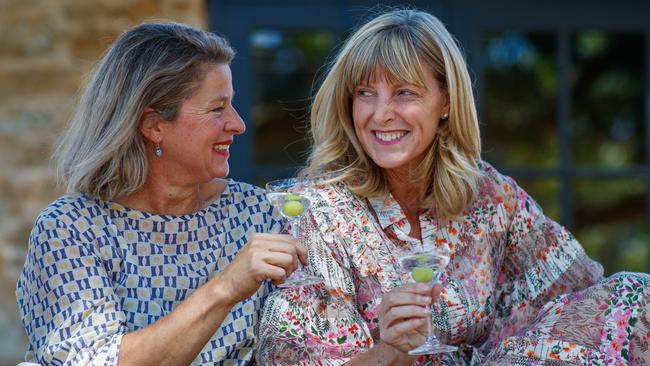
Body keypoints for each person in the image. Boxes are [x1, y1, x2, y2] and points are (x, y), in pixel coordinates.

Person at [256, 8, 650, 365]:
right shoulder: (315, 213)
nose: (381, 114)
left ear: (445, 101)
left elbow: (581, 292)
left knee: (636, 293)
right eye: (365, 93)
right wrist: (391, 349)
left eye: (405, 92)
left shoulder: (489, 196)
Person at [15, 22, 306, 365]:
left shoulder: (256, 214)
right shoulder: (71, 229)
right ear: (153, 126)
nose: (239, 124)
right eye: (217, 109)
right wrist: (226, 287)